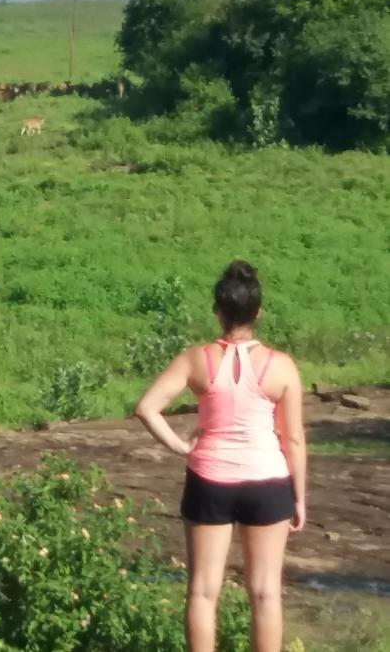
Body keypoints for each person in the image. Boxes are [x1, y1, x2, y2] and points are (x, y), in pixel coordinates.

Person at [134, 261, 306, 652]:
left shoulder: (196, 359)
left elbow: (147, 407)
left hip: (209, 481)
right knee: (265, 593)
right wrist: (297, 497)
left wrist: (180, 446)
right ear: (258, 312)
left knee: (202, 591)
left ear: (218, 311)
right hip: (268, 482)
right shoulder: (282, 366)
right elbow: (293, 438)